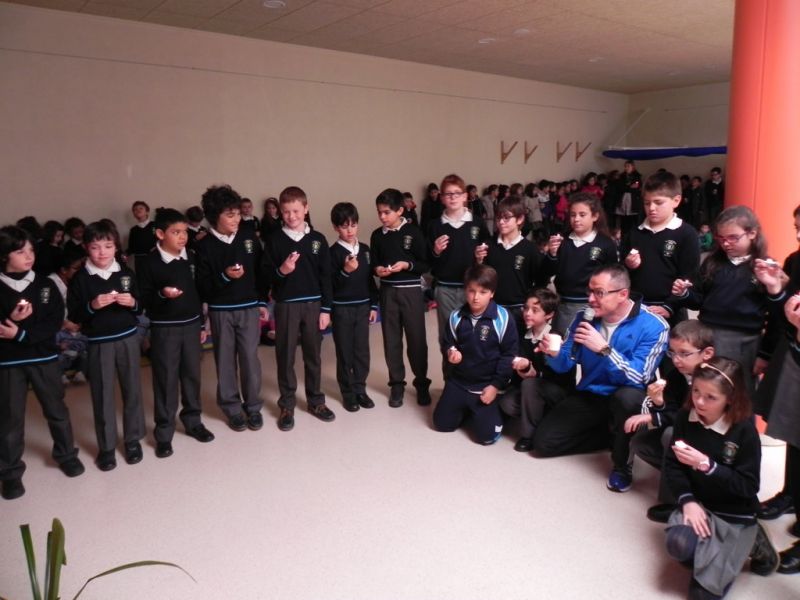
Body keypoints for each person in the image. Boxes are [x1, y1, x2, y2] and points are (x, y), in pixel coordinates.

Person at [534, 263, 669, 492]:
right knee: (544, 443)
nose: (590, 299)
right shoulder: (583, 318)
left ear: (622, 294)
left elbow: (640, 376)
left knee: (627, 399)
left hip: (628, 394)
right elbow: (565, 364)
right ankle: (612, 436)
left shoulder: (654, 326)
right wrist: (553, 354)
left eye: (599, 293)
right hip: (592, 392)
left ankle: (622, 465)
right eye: (589, 291)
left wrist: (604, 350)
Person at [663, 357, 778, 598]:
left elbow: (748, 486)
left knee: (701, 595)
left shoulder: (744, 431)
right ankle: (713, 550)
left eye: (711, 397)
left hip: (734, 514)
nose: (699, 401)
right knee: (679, 546)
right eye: (696, 391)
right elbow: (673, 466)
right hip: (700, 504)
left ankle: (755, 541)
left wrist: (707, 466)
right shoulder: (685, 417)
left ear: (730, 399)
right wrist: (688, 501)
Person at [0, 226, 84, 500]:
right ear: (4, 256)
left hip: (43, 358)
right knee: (10, 418)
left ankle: (66, 454)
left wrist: (21, 333)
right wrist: (11, 318)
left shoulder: (45, 285)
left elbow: (53, 322)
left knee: (56, 409)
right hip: (8, 362)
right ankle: (10, 472)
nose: (29, 256)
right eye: (20, 251)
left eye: (31, 250)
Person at [671, 205, 786, 397]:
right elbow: (698, 300)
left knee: (739, 391)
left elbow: (776, 317)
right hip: (707, 335)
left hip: (745, 341)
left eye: (733, 238)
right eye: (721, 238)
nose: (726, 244)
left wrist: (765, 354)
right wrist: (684, 293)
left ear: (752, 233)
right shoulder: (712, 262)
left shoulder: (764, 267)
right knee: (705, 387)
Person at [67, 220, 145, 471]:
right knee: (102, 395)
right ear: (86, 248)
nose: (102, 253)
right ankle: (107, 446)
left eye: (108, 246)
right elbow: (75, 315)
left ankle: (133, 440)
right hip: (100, 343)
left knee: (132, 390)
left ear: (116, 247)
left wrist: (132, 302)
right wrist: (93, 306)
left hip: (128, 338)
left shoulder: (125, 273)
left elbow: (140, 306)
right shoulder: (80, 279)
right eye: (95, 247)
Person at [138, 208, 215, 458]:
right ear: (161, 234)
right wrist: (163, 294)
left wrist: (202, 325)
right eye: (176, 232)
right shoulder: (148, 263)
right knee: (166, 380)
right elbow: (144, 299)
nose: (182, 237)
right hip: (165, 329)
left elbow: (199, 292)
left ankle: (193, 421)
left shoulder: (191, 257)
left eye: (184, 232)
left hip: (191, 326)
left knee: (192, 376)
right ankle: (164, 432)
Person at [626, 320, 715, 522]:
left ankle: (675, 502)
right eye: (672, 353)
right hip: (687, 429)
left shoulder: (716, 378)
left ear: (707, 353)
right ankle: (688, 480)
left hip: (711, 440)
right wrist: (658, 403)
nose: (676, 360)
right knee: (641, 442)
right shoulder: (676, 375)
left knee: (670, 435)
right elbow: (673, 410)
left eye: (684, 353)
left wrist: (654, 416)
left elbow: (699, 417)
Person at [194, 184, 267, 433]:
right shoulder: (204, 246)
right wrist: (225, 276)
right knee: (224, 360)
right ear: (215, 217)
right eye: (230, 215)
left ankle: (253, 406)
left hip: (249, 308)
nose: (236, 219)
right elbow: (202, 286)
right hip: (220, 310)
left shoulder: (249, 238)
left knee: (250, 358)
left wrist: (261, 302)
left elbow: (261, 272)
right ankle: (232, 408)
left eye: (237, 213)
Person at [263, 186, 335, 431]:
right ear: (280, 212)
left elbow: (326, 277)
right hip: (286, 306)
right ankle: (287, 404)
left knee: (313, 355)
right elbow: (265, 275)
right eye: (286, 212)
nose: (291, 216)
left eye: (295, 211)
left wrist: (326, 309)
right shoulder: (274, 240)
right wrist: (282, 271)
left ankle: (316, 401)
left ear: (306, 208)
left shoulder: (318, 240)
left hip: (314, 305)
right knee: (285, 355)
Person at [753, 204, 800, 571]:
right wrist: (776, 288)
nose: (798, 236)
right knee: (793, 434)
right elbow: (784, 310)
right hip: (794, 353)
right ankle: (791, 495)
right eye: (797, 227)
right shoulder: (796, 260)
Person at [433, 264, 517, 445]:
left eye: (483, 292)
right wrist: (451, 351)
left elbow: (509, 355)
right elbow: (448, 342)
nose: (476, 297)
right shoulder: (456, 316)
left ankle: (493, 409)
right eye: (471, 291)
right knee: (442, 424)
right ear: (465, 290)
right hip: (459, 381)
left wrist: (495, 386)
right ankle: (467, 408)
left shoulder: (503, 318)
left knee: (487, 437)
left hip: (486, 385)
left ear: (492, 293)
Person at [370, 188, 431, 408]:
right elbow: (374, 263)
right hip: (388, 292)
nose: (382, 217)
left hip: (411, 292)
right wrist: (378, 270)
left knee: (416, 339)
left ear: (400, 211)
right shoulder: (377, 235)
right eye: (379, 212)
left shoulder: (413, 232)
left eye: (387, 212)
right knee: (391, 340)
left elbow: (425, 264)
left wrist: (407, 265)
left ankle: (421, 383)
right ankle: (396, 384)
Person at [428, 173, 489, 379]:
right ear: (442, 198)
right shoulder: (435, 225)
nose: (453, 197)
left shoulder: (477, 223)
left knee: (473, 335)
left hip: (472, 289)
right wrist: (436, 251)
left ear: (465, 196)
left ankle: (472, 381)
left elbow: (487, 257)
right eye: (448, 194)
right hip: (445, 288)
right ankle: (450, 382)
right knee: (448, 337)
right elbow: (428, 261)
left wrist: (480, 258)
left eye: (457, 193)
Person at [500, 287, 574, 453]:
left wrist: (536, 373)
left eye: (535, 310)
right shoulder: (524, 337)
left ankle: (528, 435)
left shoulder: (556, 338)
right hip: (532, 391)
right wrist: (520, 369)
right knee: (507, 402)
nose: (528, 313)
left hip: (557, 391)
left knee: (531, 385)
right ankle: (539, 416)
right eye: (526, 308)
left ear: (549, 315)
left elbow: (564, 375)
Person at [622, 170, 700, 326]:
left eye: (658, 202)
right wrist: (628, 265)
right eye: (647, 203)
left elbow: (689, 277)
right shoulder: (635, 232)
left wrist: (670, 306)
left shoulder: (686, 234)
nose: (651, 208)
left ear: (676, 201)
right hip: (636, 306)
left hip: (670, 310)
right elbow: (620, 271)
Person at [542, 192, 618, 335]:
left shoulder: (605, 243)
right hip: (564, 304)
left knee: (587, 339)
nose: (576, 219)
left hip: (592, 304)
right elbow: (546, 272)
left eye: (582, 215)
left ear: (595, 216)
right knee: (563, 341)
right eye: (573, 215)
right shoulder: (563, 241)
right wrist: (552, 253)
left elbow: (613, 276)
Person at [329, 202, 378, 412]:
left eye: (353, 225)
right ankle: (348, 393)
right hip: (341, 309)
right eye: (344, 226)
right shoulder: (332, 253)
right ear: (336, 227)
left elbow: (369, 280)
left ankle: (360, 389)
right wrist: (345, 271)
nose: (349, 230)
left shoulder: (365, 250)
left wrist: (374, 305)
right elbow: (330, 285)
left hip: (363, 307)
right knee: (345, 351)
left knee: (362, 351)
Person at [475, 195, 544, 336]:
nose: (501, 222)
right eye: (498, 218)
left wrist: (530, 306)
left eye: (506, 218)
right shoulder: (488, 245)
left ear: (520, 219)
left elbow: (541, 281)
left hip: (519, 309)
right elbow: (480, 279)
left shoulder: (530, 249)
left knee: (517, 347)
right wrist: (478, 261)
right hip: (492, 307)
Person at [126, 201, 156, 272]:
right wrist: (123, 254)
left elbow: (161, 240)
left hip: (154, 258)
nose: (138, 210)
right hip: (139, 261)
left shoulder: (154, 225)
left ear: (147, 212)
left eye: (141, 208)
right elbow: (131, 248)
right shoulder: (133, 230)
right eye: (135, 209)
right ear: (134, 214)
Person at [616, 160, 641, 235]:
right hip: (623, 199)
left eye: (628, 166)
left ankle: (633, 235)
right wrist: (630, 187)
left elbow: (637, 188)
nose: (626, 168)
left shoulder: (637, 176)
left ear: (633, 167)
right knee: (623, 220)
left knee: (633, 220)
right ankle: (623, 235)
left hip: (633, 200)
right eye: (625, 166)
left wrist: (628, 187)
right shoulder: (622, 176)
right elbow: (620, 188)